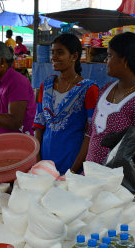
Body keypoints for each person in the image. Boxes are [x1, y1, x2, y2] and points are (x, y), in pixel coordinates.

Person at [85, 32, 135, 193]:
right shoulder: (107, 89)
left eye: (110, 56)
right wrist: (76, 169)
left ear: (125, 61)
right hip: (91, 179)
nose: (106, 61)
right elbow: (91, 133)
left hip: (121, 187)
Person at [34, 34, 99, 174]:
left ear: (74, 56)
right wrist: (38, 161)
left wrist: (74, 170)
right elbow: (39, 125)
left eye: (60, 52)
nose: (54, 57)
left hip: (73, 160)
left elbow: (91, 133)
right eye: (52, 52)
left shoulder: (89, 89)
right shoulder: (45, 86)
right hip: (45, 160)